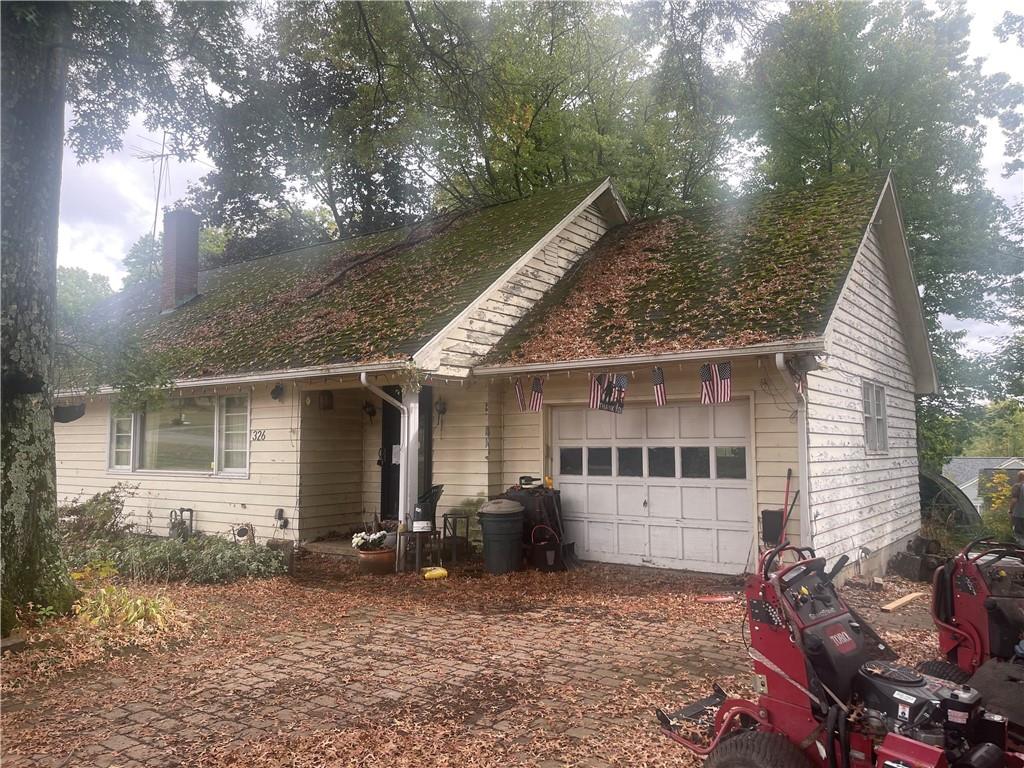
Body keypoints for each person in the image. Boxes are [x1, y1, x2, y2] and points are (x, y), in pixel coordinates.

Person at [1011, 469, 1024, 544]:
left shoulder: (1017, 486)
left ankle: (1021, 549)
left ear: (1019, 477)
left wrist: (1010, 510)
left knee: (1019, 535)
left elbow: (1014, 500)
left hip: (1019, 515)